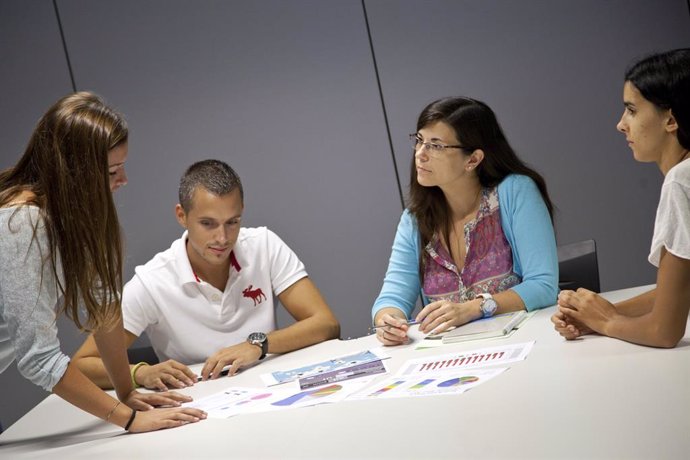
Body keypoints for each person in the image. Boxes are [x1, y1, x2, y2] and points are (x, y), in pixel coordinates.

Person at [0, 92, 206, 433]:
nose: (123, 180)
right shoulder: (21, 224)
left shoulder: (68, 215)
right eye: (112, 170)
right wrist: (129, 420)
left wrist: (126, 392)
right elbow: (39, 359)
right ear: (73, 171)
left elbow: (105, 305)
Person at [74, 159, 340, 390]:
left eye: (232, 222)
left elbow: (326, 323)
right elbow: (82, 365)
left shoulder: (264, 244)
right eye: (207, 224)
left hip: (271, 387)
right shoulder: (152, 282)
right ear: (182, 216)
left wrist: (258, 345)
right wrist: (140, 373)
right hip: (199, 403)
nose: (222, 238)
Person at [372, 96, 558, 345]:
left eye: (436, 146)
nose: (420, 154)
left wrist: (475, 307)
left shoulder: (515, 191)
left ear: (473, 159)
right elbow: (391, 299)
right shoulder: (414, 220)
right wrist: (388, 321)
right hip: (455, 359)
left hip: (526, 343)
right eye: (419, 141)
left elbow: (543, 285)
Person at [553, 49, 690, 348]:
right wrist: (596, 314)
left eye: (632, 109)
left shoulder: (681, 181)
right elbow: (681, 290)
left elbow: (664, 332)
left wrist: (606, 321)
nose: (621, 124)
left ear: (671, 119)